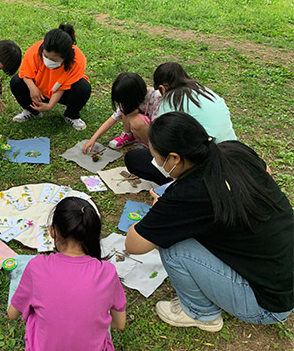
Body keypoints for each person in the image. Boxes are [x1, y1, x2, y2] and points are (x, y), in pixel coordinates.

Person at [125, 112, 293, 332]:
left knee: (172, 245)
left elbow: (134, 245)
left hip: (267, 306)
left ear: (174, 158)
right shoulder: (235, 150)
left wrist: (161, 210)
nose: (155, 162)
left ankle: (201, 313)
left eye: (156, 156)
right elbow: (266, 173)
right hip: (284, 277)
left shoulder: (188, 194)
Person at [8, 197, 126, 351]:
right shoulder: (107, 271)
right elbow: (119, 324)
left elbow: (12, 313)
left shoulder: (36, 267)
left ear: (52, 231)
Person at [125, 62, 236, 185]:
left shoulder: (168, 103)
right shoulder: (208, 93)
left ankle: (178, 184)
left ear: (162, 88)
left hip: (206, 168)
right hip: (233, 156)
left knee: (133, 159)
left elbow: (161, 141)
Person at [10, 23, 91, 131]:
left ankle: (71, 116)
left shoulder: (78, 60)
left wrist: (50, 106)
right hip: (39, 90)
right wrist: (32, 88)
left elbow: (63, 86)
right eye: (45, 56)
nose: (47, 60)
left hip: (63, 92)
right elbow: (25, 73)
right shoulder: (34, 50)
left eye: (53, 59)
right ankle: (33, 112)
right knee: (16, 81)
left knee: (83, 87)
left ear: (65, 56)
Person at [82, 72, 161, 154]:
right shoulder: (130, 99)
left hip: (155, 135)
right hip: (143, 128)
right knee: (126, 110)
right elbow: (112, 119)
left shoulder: (157, 98)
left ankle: (152, 147)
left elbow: (159, 127)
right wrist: (93, 139)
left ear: (133, 96)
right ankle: (128, 136)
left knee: (136, 122)